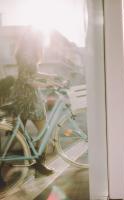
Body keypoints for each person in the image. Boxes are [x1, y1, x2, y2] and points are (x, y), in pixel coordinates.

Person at [9, 27, 60, 177]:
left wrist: (50, 76)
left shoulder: (25, 52)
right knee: (43, 131)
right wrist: (47, 84)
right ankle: (39, 165)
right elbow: (27, 79)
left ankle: (35, 163)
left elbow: (32, 73)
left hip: (21, 96)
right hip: (28, 98)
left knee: (18, 134)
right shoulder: (28, 54)